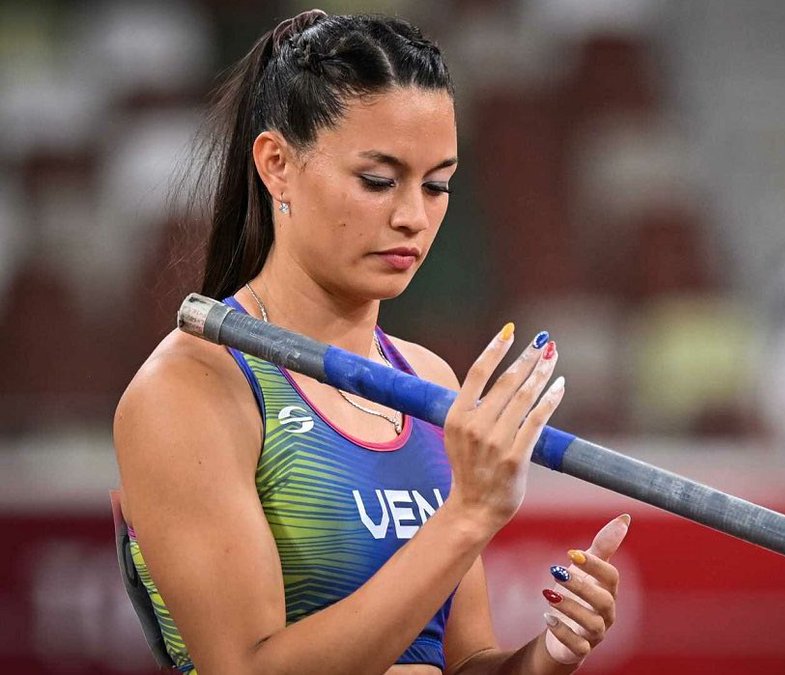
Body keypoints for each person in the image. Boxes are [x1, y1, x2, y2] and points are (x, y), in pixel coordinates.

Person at [112, 10, 630, 674]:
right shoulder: (190, 389)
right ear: (277, 165)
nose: (413, 215)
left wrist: (548, 653)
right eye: (378, 181)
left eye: (438, 184)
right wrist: (467, 517)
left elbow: (461, 660)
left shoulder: (427, 379)